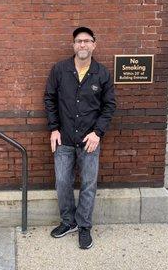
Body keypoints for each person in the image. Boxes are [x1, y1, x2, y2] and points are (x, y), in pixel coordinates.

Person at [44, 26, 116, 249]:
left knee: (88, 184)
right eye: (78, 41)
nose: (82, 45)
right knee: (63, 182)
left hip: (89, 141)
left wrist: (97, 133)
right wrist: (54, 128)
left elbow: (109, 106)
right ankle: (68, 222)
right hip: (64, 138)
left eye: (86, 41)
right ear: (73, 45)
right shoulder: (60, 70)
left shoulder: (102, 73)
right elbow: (50, 99)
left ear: (94, 44)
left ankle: (84, 226)